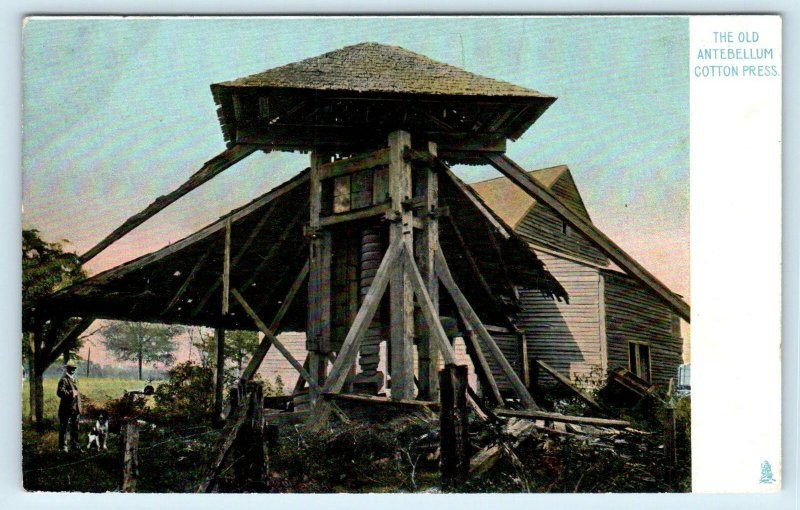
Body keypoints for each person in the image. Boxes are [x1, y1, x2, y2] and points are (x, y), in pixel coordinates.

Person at [57, 363, 82, 452]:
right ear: (67, 369)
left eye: (74, 369)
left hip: (75, 408)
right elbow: (59, 393)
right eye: (71, 369)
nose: (73, 370)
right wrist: (71, 392)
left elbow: (77, 394)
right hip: (66, 409)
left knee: (75, 428)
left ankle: (75, 446)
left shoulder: (75, 379)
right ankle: (63, 447)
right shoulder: (63, 380)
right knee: (64, 428)